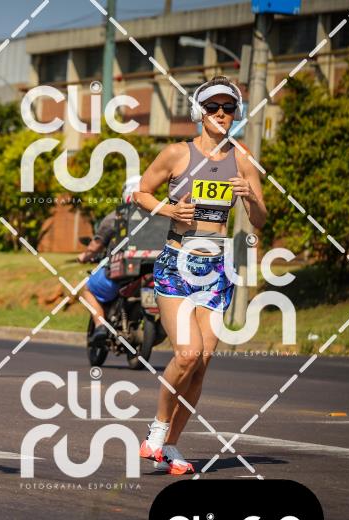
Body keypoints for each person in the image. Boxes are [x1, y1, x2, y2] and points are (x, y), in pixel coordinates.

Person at [133, 76, 266, 475]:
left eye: (228, 108)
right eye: (213, 107)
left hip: (217, 268)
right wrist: (169, 210)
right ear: (199, 112)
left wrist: (249, 196)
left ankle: (171, 446)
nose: (221, 114)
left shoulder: (243, 159)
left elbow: (260, 219)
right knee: (187, 354)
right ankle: (157, 430)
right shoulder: (177, 153)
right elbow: (141, 192)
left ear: (236, 114)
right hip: (177, 263)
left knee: (202, 363)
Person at [78, 175, 141, 346]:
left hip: (121, 273)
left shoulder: (117, 217)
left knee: (87, 289)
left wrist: (84, 256)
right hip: (153, 274)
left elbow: (95, 246)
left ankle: (100, 326)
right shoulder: (159, 215)